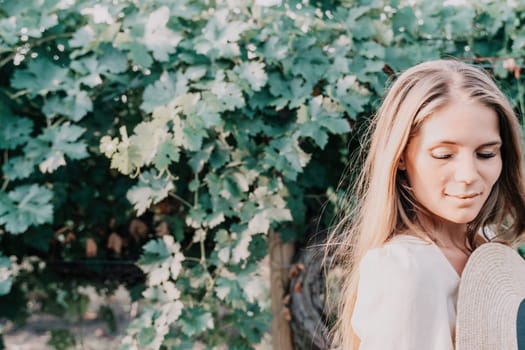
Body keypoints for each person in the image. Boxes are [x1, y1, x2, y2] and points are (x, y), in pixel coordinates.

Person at [327, 59, 525, 350]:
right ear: (402, 156)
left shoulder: (491, 253)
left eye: (485, 154)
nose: (469, 175)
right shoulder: (402, 270)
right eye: (444, 155)